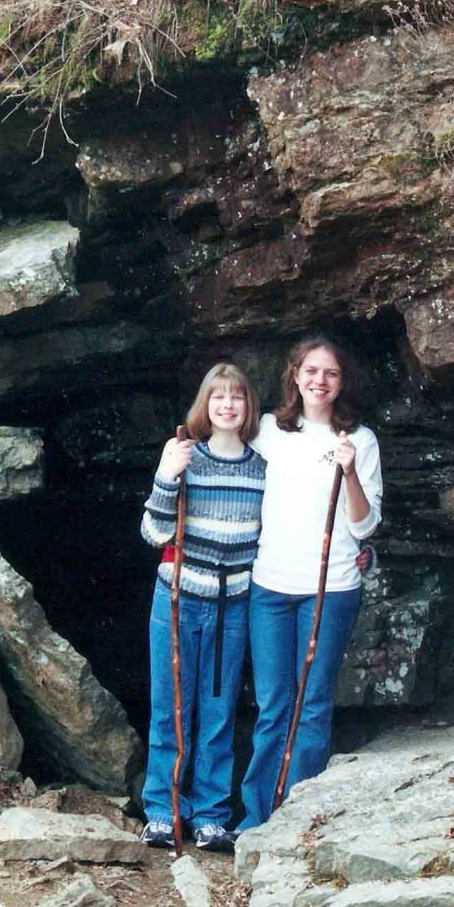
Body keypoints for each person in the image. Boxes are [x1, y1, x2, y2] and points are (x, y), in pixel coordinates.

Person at [238, 335, 382, 832]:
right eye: (311, 371)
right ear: (295, 376)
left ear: (342, 382)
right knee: (273, 704)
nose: (320, 381)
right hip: (270, 584)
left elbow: (365, 524)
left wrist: (349, 472)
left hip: (331, 586)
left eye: (331, 373)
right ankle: (257, 817)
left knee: (313, 703)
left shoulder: (360, 440)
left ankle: (297, 819)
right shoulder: (268, 431)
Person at [140, 363, 265, 851]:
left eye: (236, 397)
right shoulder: (186, 457)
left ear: (248, 406)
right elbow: (153, 532)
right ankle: (163, 810)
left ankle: (211, 815)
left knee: (218, 711)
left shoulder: (262, 469)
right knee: (170, 707)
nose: (227, 405)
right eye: (218, 397)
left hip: (232, 603)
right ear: (204, 405)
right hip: (177, 599)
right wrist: (166, 475)